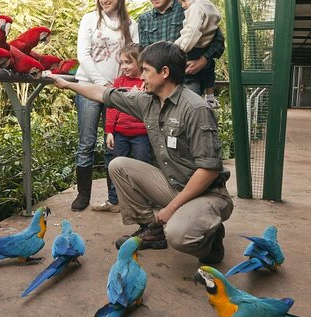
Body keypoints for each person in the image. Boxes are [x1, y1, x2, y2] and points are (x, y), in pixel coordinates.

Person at [48, 41, 233, 264]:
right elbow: (103, 93)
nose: (141, 76)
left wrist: (169, 210)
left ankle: (210, 242)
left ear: (164, 72)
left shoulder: (195, 109)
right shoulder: (148, 102)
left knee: (179, 235)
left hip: (207, 193)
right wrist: (67, 85)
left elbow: (208, 171)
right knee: (118, 165)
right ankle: (151, 230)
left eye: (145, 70)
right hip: (174, 186)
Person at [71, 0, 139, 212]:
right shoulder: (89, 19)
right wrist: (103, 84)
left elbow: (134, 58)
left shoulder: (131, 25)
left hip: (117, 92)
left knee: (114, 143)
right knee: (86, 141)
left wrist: (117, 86)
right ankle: (83, 195)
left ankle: (115, 196)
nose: (104, 0)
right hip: (90, 87)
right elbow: (84, 55)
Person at [137, 0, 225, 96]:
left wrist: (203, 60)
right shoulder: (144, 20)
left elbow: (218, 40)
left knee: (189, 115)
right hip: (158, 85)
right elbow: (144, 55)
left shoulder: (189, 8)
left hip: (188, 80)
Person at [92, 43, 151, 213]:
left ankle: (143, 201)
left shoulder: (146, 82)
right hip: (121, 134)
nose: (124, 66)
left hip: (141, 134)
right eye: (122, 63)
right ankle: (114, 201)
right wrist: (109, 131)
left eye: (128, 62)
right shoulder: (119, 83)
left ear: (140, 62)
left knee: (142, 166)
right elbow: (112, 107)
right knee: (115, 166)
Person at [173, 0, 222, 109]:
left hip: (192, 50)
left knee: (190, 107)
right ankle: (210, 98)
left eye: (184, 0)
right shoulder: (210, 7)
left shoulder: (195, 8)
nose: (183, 5)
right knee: (210, 69)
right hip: (203, 48)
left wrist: (178, 49)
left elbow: (191, 32)